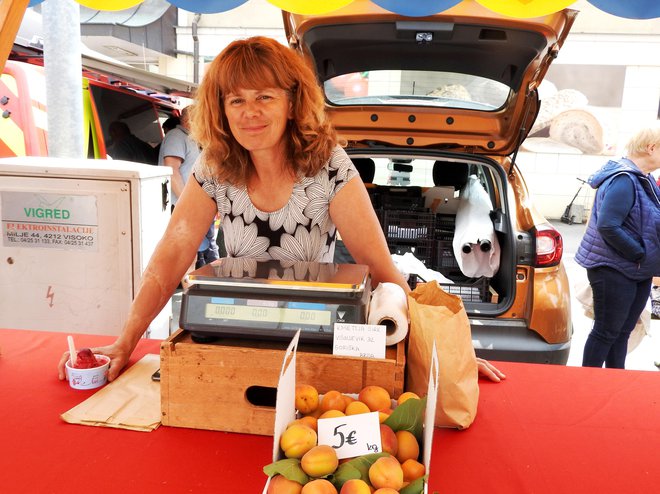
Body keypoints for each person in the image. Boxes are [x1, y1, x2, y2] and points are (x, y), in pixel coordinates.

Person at [58, 36, 504, 383]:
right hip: (234, 331)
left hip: (314, 340)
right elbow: (169, 259)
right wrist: (125, 341)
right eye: (236, 100)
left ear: (291, 103)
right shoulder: (215, 166)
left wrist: (444, 352)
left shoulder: (327, 164)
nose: (249, 112)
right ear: (222, 110)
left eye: (264, 97)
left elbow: (379, 267)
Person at [575, 123, 660, 369]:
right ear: (652, 148)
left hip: (637, 269)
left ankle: (614, 381)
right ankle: (587, 383)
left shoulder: (643, 179)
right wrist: (639, 253)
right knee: (606, 332)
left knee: (622, 332)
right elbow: (608, 226)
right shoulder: (624, 179)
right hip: (615, 268)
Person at [158, 106, 219, 269]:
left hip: (197, 206)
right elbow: (172, 169)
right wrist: (186, 203)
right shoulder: (176, 137)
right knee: (192, 253)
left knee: (204, 252)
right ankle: (193, 288)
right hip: (186, 207)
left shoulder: (191, 139)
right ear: (190, 120)